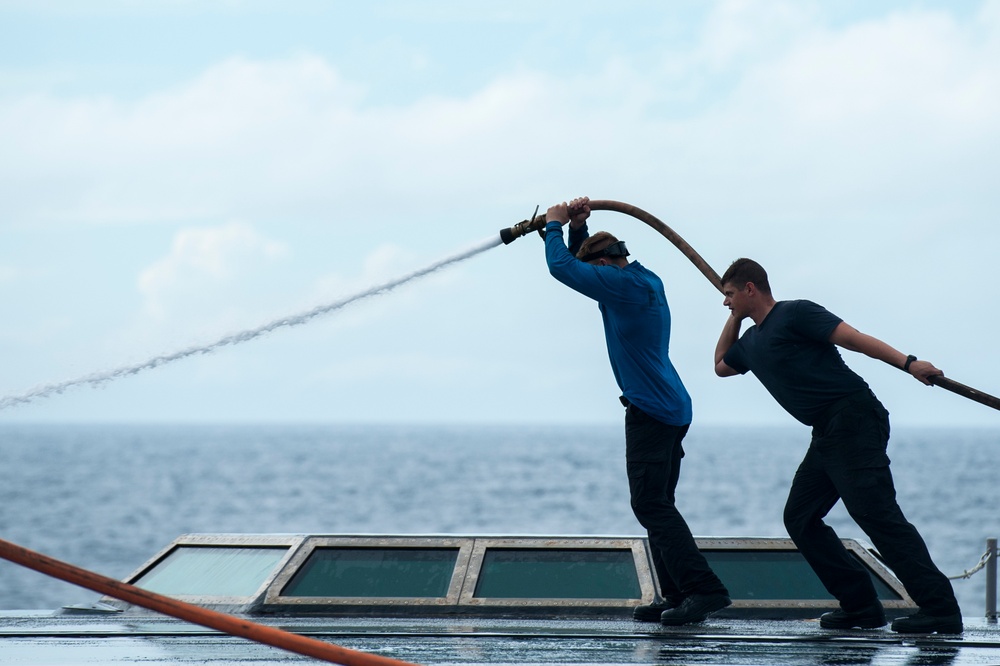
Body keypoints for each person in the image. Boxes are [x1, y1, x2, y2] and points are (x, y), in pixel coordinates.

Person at [713, 257, 962, 634]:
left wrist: (908, 363)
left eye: (730, 295)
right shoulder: (749, 342)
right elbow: (720, 366)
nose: (725, 302)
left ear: (751, 288)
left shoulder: (796, 314)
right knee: (800, 517)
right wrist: (735, 316)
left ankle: (940, 609)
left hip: (854, 417)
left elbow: (855, 339)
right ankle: (861, 606)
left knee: (877, 515)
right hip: (827, 431)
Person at [544, 196, 730, 626]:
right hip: (672, 405)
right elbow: (584, 265)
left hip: (651, 410)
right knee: (658, 502)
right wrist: (579, 230)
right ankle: (678, 594)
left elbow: (563, 268)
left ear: (606, 265)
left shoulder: (620, 285)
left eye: (596, 270)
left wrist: (554, 226)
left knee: (650, 504)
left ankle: (704, 590)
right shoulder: (643, 278)